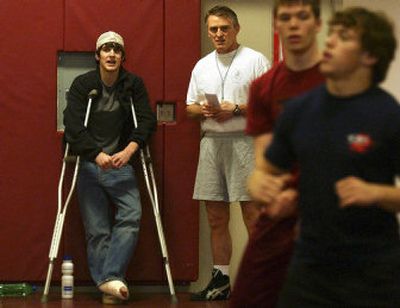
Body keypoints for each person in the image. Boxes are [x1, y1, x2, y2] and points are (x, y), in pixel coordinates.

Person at [249, 7, 400, 307]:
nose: (329, 42)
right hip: (310, 266)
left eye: (343, 37)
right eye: (331, 34)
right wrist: (259, 185)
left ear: (369, 57)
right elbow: (264, 172)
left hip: (374, 268)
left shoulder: (387, 114)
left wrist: (376, 192)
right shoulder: (298, 110)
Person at [230, 1, 324, 307]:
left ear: (317, 24)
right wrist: (259, 184)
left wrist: (302, 196)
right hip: (280, 213)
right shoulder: (263, 88)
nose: (294, 24)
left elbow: (343, 157)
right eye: (286, 18)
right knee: (247, 297)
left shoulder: (338, 80)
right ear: (276, 26)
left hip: (329, 212)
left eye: (302, 16)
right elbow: (265, 163)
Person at [63, 31, 157, 304]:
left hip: (121, 163)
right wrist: (96, 154)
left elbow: (146, 121)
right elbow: (73, 126)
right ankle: (112, 287)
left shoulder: (133, 85)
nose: (112, 54)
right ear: (98, 55)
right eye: (106, 49)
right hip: (91, 164)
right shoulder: (83, 85)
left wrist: (129, 150)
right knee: (97, 230)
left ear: (122, 56)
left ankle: (109, 278)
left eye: (116, 49)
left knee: (131, 218)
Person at [186, 5, 270, 301]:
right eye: (213, 29)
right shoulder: (202, 65)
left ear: (236, 28)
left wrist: (234, 108)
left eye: (224, 28)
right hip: (211, 143)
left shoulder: (256, 60)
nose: (218, 34)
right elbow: (189, 107)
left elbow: (270, 105)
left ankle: (262, 281)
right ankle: (221, 282)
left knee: (252, 214)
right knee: (216, 217)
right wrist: (205, 109)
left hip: (245, 142)